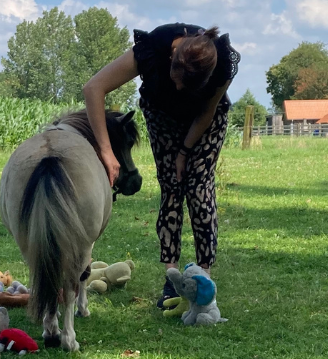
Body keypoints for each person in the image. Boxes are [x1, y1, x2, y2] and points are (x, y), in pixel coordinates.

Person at [83, 22, 240, 306]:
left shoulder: (222, 62)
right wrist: (106, 151)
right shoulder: (153, 48)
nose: (179, 88)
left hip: (207, 122)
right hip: (162, 116)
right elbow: (94, 88)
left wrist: (184, 152)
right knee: (171, 187)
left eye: (187, 86)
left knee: (199, 188)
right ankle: (172, 277)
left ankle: (203, 280)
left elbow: (206, 111)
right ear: (172, 58)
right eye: (176, 80)